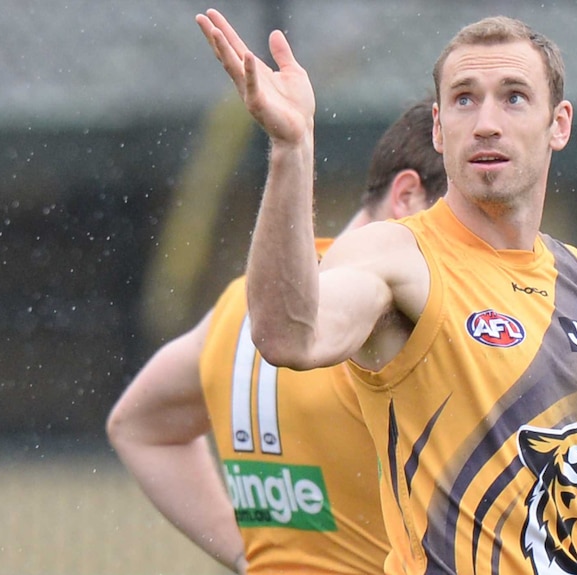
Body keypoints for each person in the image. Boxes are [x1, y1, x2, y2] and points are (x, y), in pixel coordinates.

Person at [197, 8, 577, 575]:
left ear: (559, 124)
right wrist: (292, 148)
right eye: (465, 99)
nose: (487, 122)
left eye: (514, 97)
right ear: (438, 129)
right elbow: (289, 335)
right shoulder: (398, 255)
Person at [105, 98, 448, 575]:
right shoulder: (391, 317)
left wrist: (253, 557)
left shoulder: (242, 306)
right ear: (407, 196)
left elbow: (139, 427)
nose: (476, 253)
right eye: (465, 224)